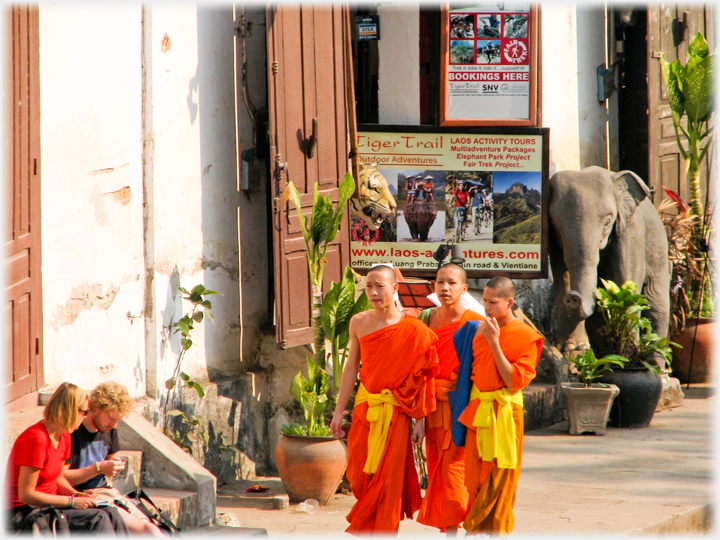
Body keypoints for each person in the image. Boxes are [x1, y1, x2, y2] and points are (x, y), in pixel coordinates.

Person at [329, 264, 439, 535]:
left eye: (380, 286)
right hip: (366, 408)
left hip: (397, 413)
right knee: (359, 475)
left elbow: (423, 378)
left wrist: (420, 420)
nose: (374, 292)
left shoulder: (413, 329)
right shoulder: (360, 322)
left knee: (388, 483)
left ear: (395, 288)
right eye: (369, 286)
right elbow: (351, 368)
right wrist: (339, 410)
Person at [450, 277, 543, 535]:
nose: (486, 306)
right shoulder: (476, 330)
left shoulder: (526, 335)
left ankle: (490, 531)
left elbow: (514, 381)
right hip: (478, 410)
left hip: (504, 412)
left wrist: (494, 342)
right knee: (473, 476)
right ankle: (476, 527)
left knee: (501, 476)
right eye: (484, 301)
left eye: (493, 302)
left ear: (509, 302)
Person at [6, 382, 129, 534]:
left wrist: (76, 494)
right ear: (71, 410)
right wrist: (71, 501)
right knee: (97, 519)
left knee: (111, 513)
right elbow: (27, 494)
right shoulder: (36, 439)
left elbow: (57, 477)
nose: (86, 416)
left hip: (49, 503)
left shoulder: (64, 435)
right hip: (23, 511)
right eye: (85, 411)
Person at [416, 264, 484, 536]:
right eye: (440, 282)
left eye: (451, 283)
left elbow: (480, 371)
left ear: (463, 288)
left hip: (462, 406)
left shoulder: (474, 323)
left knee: (456, 470)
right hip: (432, 406)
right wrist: (419, 417)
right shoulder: (425, 318)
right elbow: (418, 369)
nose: (445, 288)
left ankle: (468, 524)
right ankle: (450, 528)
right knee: (438, 470)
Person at [64, 382, 164, 536]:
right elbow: (62, 478)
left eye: (118, 420)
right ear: (96, 409)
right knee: (147, 531)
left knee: (149, 525)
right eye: (111, 418)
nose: (114, 425)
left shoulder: (109, 430)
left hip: (107, 492)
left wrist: (115, 466)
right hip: (84, 495)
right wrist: (98, 468)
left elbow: (111, 459)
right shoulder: (74, 432)